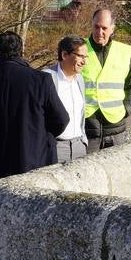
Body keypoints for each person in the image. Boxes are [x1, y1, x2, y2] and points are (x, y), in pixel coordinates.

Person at [0, 31, 69, 191]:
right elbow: (61, 119)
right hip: (31, 161)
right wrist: (39, 137)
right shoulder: (40, 80)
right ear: (21, 51)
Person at [83, 8, 131, 153]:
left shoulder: (124, 52)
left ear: (112, 29)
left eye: (104, 28)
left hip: (116, 129)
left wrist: (127, 109)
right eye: (96, 26)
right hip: (88, 130)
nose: (99, 32)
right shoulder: (79, 50)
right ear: (91, 24)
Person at [44, 34, 89, 164]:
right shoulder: (47, 78)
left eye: (85, 57)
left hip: (79, 147)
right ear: (64, 55)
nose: (84, 61)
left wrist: (83, 141)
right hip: (56, 148)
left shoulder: (80, 79)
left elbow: (81, 114)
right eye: (80, 56)